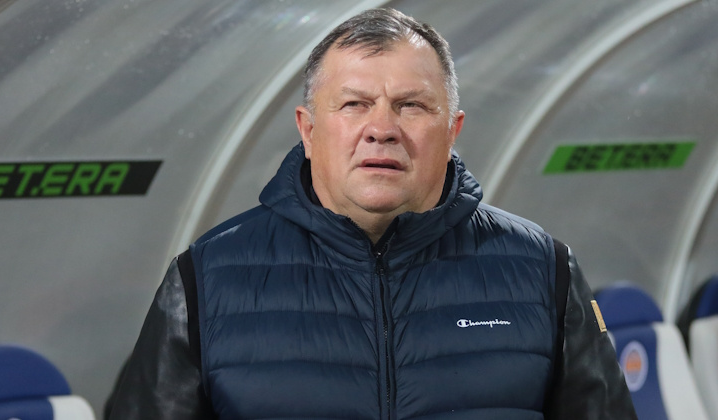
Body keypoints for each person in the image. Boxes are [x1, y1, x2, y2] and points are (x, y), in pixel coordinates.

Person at [108, 8, 637, 420]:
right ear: (308, 130)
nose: (382, 129)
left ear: (452, 132)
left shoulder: (543, 270)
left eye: (412, 105)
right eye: (354, 104)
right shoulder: (205, 278)